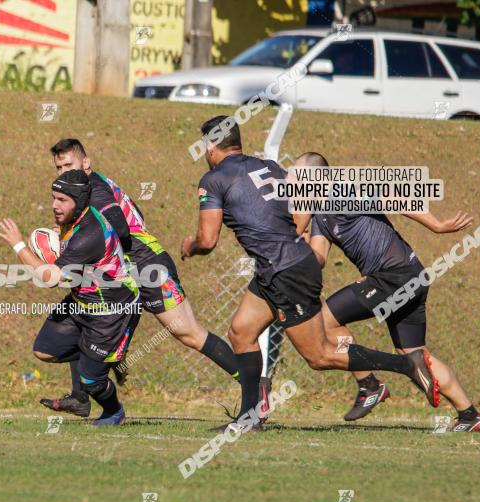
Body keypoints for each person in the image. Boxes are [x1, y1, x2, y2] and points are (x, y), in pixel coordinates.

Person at [181, 116, 439, 431]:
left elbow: (207, 241)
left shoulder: (213, 179)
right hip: (277, 267)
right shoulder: (269, 167)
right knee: (241, 331)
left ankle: (405, 364)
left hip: (286, 271)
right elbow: (300, 205)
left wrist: (190, 245)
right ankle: (248, 418)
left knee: (320, 356)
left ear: (211, 146)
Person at [40, 138, 245, 418]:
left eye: (69, 164)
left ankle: (254, 383)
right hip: (125, 269)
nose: (63, 172)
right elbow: (134, 212)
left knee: (188, 332)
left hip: (146, 266)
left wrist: (97, 246)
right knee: (83, 311)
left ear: (86, 163)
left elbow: (122, 230)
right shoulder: (88, 188)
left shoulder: (95, 192)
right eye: (58, 167)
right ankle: (82, 395)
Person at [295, 151, 480, 431]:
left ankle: (369, 384)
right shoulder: (321, 214)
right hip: (407, 278)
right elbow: (320, 258)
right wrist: (301, 240)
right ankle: (470, 415)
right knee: (414, 353)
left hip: (394, 278)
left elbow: (394, 195)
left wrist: (437, 225)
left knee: (323, 322)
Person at [0, 169, 141, 425]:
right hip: (83, 301)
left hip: (111, 311)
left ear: (79, 201)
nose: (54, 205)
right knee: (45, 350)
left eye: (62, 200)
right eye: (53, 198)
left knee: (91, 381)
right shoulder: (80, 218)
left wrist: (19, 245)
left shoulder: (89, 235)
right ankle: (104, 356)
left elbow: (50, 279)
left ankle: (113, 411)